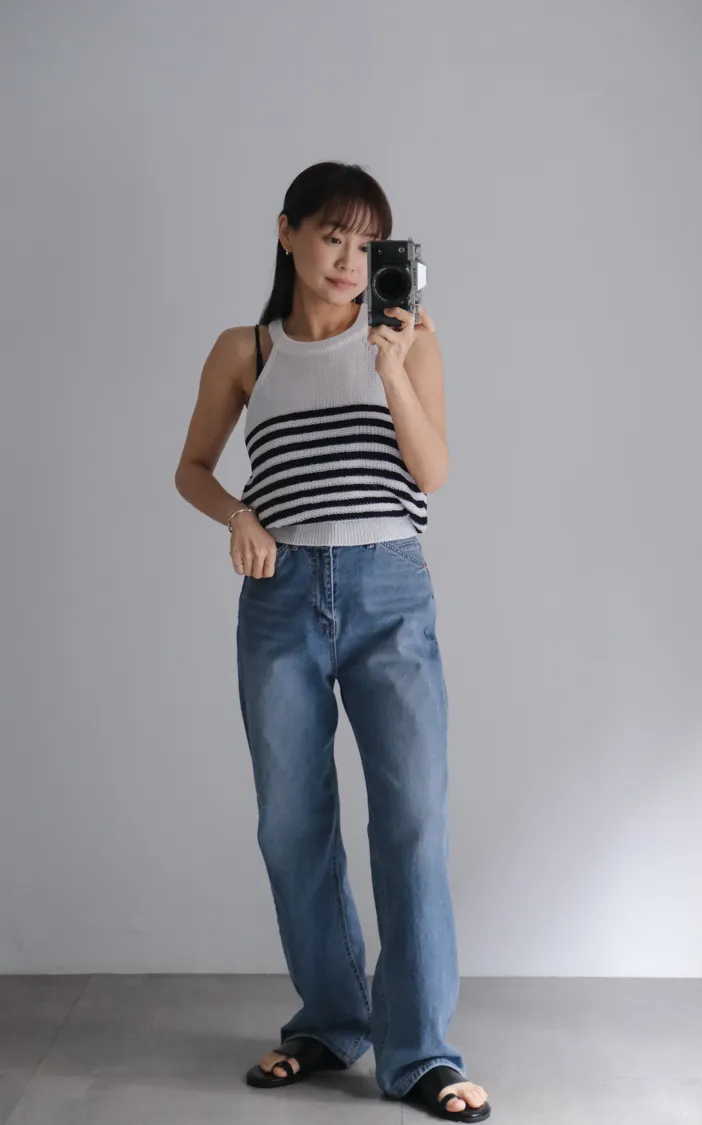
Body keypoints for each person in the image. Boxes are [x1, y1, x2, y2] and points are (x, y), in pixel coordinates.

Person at [174, 161, 490, 1122]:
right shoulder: (247, 349)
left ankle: (421, 1052)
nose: (350, 260)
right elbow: (192, 467)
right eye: (332, 236)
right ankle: (330, 1020)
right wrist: (238, 513)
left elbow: (432, 472)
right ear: (288, 233)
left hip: (388, 590)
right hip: (279, 597)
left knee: (412, 819)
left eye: (367, 242)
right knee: (290, 822)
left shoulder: (411, 339)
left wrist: (391, 366)